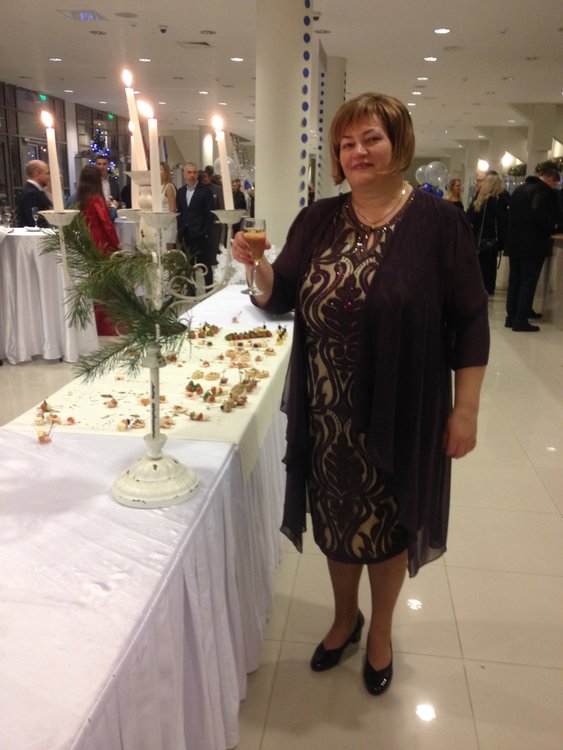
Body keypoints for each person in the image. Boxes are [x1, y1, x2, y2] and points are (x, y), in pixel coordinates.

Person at [231, 93, 489, 696]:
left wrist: (466, 409)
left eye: (371, 138)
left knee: (389, 523)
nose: (357, 152)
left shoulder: (438, 223)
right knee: (339, 521)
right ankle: (346, 620)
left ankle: (382, 632)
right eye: (346, 143)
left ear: (399, 143)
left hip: (404, 406)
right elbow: (280, 294)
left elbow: (470, 319)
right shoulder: (317, 218)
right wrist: (256, 265)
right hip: (328, 412)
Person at [504, 163, 562, 332]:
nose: (554, 186)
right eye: (555, 183)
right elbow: (538, 210)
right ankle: (521, 320)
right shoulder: (542, 190)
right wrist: (553, 226)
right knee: (528, 281)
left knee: (515, 280)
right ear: (551, 179)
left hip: (514, 242)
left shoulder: (520, 189)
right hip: (533, 244)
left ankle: (511, 317)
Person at [76, 165, 122, 335]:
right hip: (101, 244)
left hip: (87, 242)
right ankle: (104, 324)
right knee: (105, 285)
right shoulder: (96, 199)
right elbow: (106, 224)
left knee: (93, 282)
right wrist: (117, 244)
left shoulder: (80, 199)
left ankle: (93, 324)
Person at [466, 173, 508, 294]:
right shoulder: (496, 201)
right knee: (488, 273)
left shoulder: (479, 200)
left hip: (477, 241)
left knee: (478, 272)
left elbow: (469, 218)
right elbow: (501, 221)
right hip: (490, 242)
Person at [176, 162, 216, 286]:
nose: (192, 175)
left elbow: (210, 214)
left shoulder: (205, 191)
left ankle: (209, 290)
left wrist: (205, 232)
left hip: (200, 235)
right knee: (188, 265)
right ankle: (190, 290)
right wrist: (180, 229)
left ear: (197, 174)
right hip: (186, 234)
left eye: (194, 172)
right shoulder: (181, 192)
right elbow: (180, 212)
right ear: (184, 174)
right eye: (189, 172)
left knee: (205, 264)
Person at [15, 160, 52, 227]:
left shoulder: (34, 191)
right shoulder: (31, 194)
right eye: (47, 173)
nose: (49, 177)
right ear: (36, 174)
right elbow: (36, 222)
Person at [160, 162, 177, 248]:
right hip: (159, 222)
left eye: (161, 169)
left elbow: (173, 209)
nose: (159, 172)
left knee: (167, 248)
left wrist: (165, 222)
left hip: (167, 223)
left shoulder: (169, 187)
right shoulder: (157, 187)